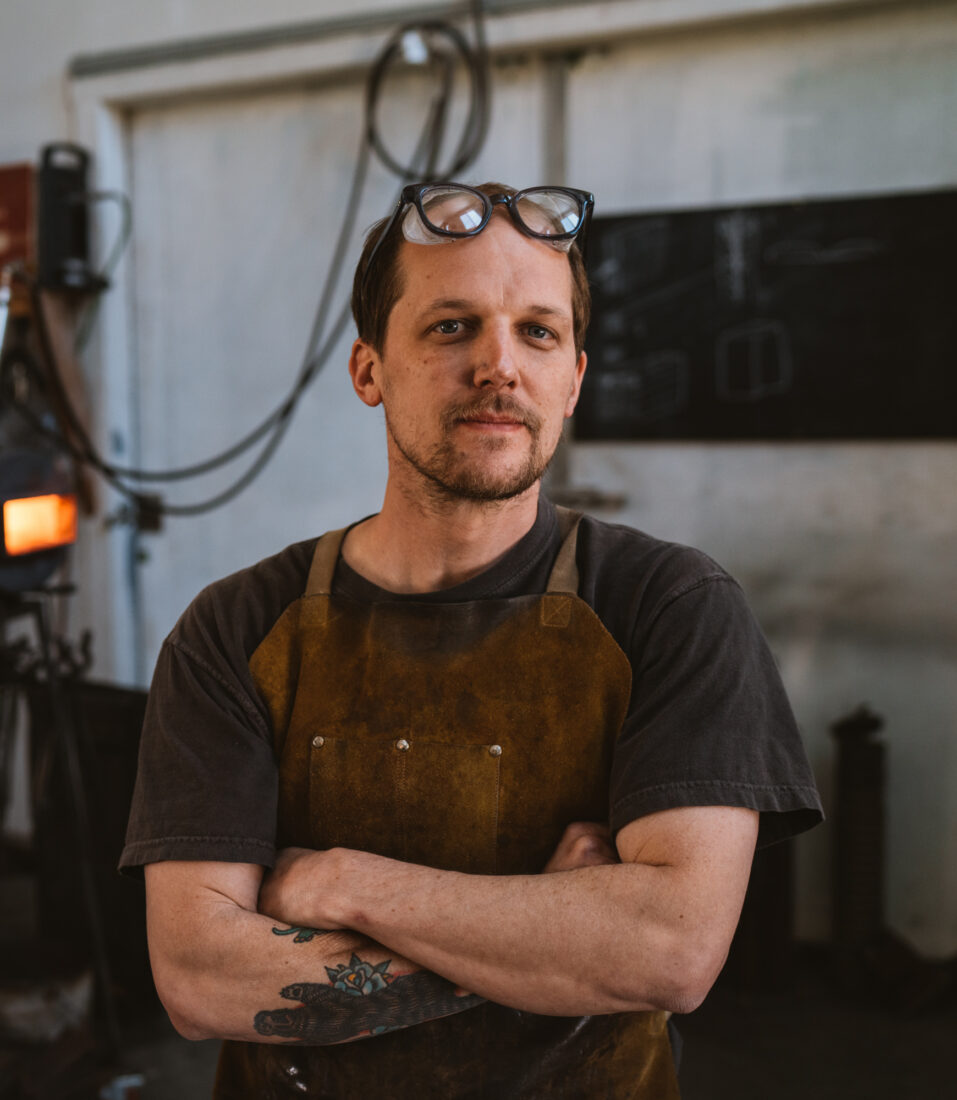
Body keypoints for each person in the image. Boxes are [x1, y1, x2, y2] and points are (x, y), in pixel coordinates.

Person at [120, 181, 823, 1098]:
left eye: (537, 331)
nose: (500, 364)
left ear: (572, 378)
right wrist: (553, 934)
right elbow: (199, 977)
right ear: (368, 370)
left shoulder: (671, 606)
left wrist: (341, 883)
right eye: (451, 326)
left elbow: (667, 953)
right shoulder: (237, 629)